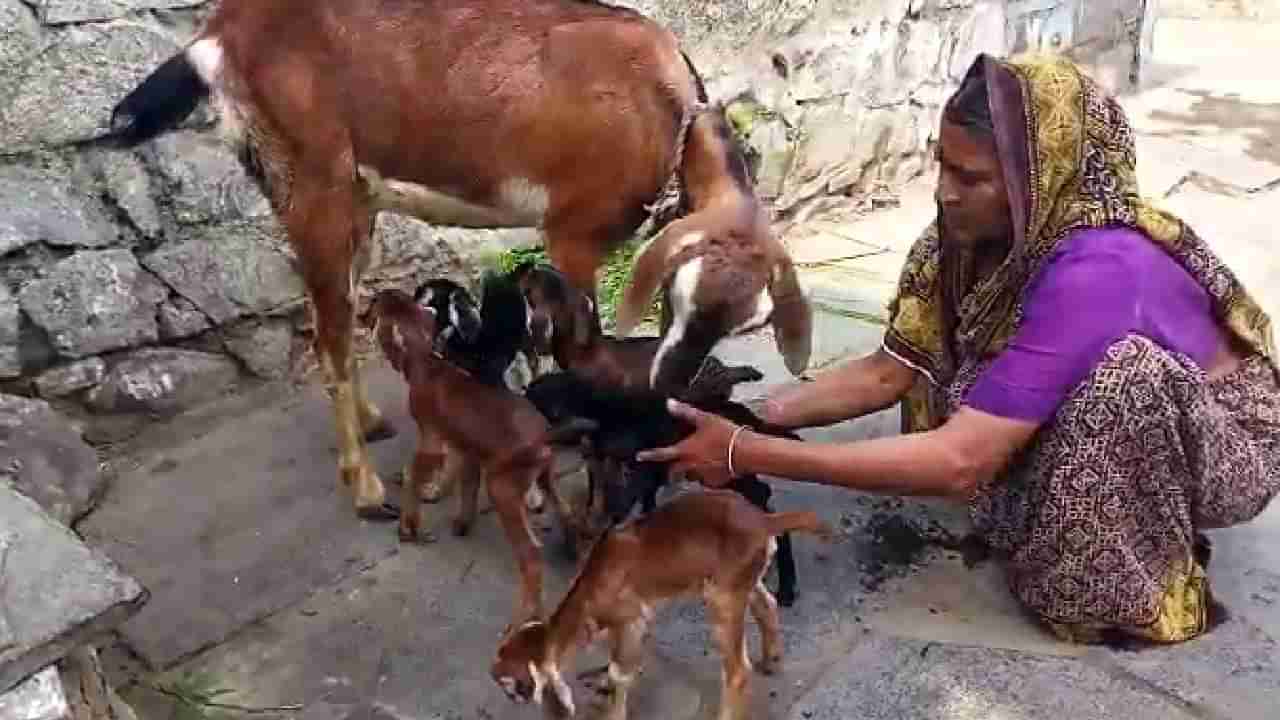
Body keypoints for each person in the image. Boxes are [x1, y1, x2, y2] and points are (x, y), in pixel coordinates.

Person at [636, 52, 1280, 645]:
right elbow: (890, 372)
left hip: (1222, 444)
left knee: (1118, 380)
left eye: (969, 176)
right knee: (974, 376)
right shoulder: (962, 241)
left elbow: (960, 462)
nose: (944, 190)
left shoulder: (1099, 264)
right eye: (941, 162)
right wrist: (757, 415)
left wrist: (743, 452)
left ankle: (1128, 589)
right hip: (1101, 405)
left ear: (1038, 180)